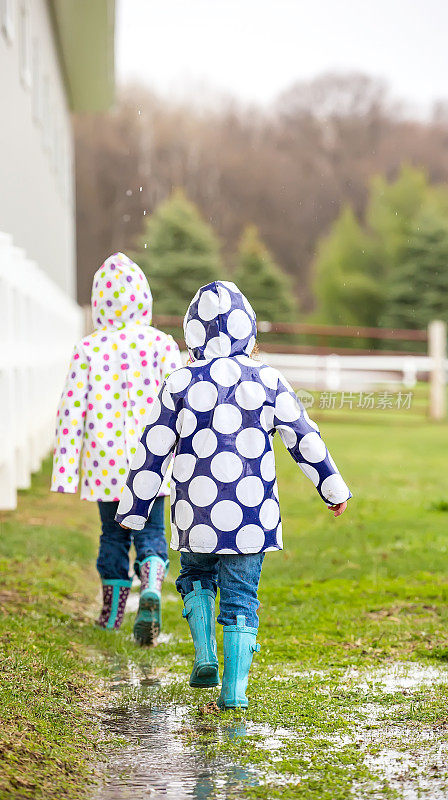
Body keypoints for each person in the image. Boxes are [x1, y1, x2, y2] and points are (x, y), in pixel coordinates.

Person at [116, 280, 351, 706]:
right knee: (242, 597)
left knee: (196, 578)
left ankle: (205, 655)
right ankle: (235, 689)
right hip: (250, 518)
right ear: (250, 332)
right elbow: (303, 437)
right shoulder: (268, 380)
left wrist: (134, 508)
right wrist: (332, 487)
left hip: (196, 515)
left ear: (192, 332)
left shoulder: (179, 382)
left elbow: (152, 449)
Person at [51, 253, 181, 644]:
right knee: (151, 529)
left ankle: (111, 616)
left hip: (104, 463)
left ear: (98, 302)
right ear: (144, 298)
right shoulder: (161, 345)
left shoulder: (88, 350)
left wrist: (65, 470)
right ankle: (153, 583)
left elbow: (70, 412)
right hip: (150, 462)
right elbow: (178, 401)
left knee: (112, 535)